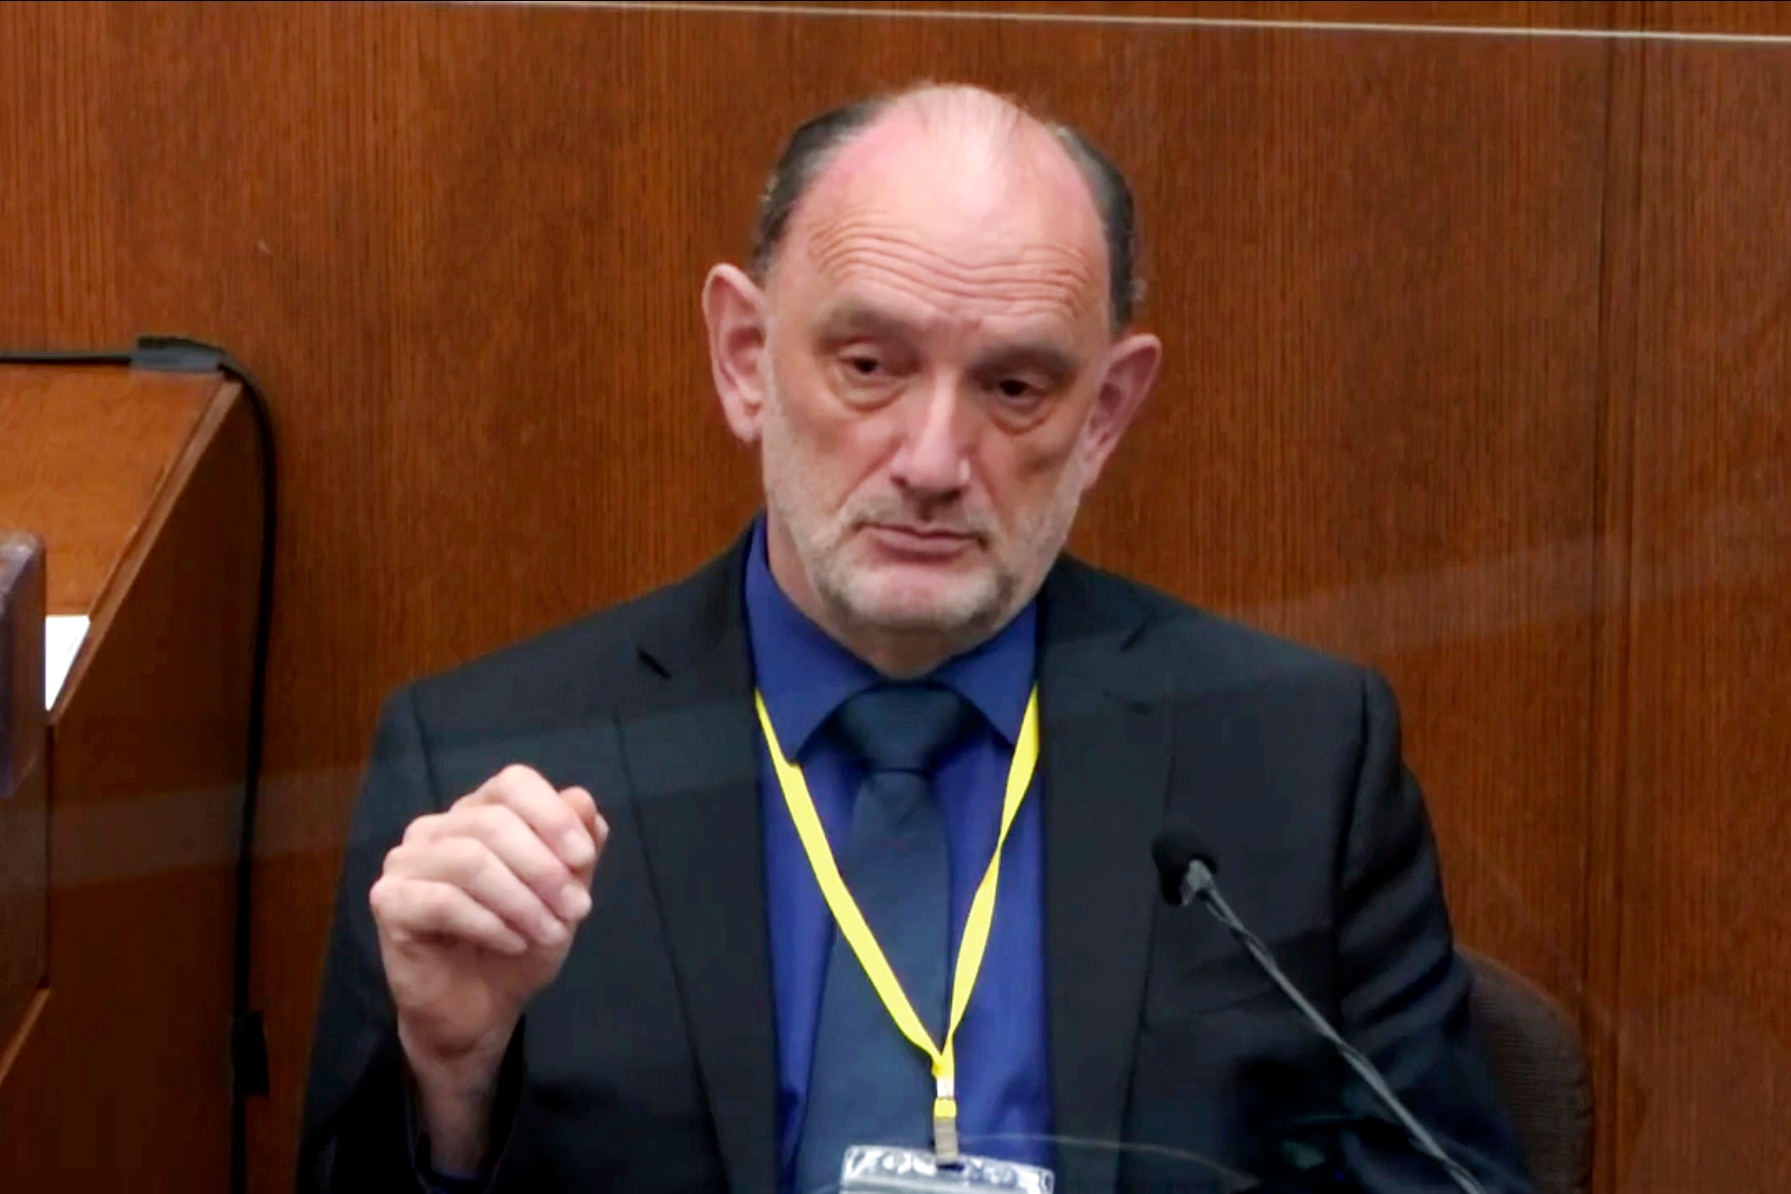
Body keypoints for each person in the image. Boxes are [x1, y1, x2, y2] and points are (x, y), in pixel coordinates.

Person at [298, 83, 1531, 1194]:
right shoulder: (488, 757)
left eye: (1014, 389)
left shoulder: (1294, 763)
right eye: (871, 365)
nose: (935, 463)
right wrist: (451, 1080)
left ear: (1104, 414)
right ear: (744, 359)